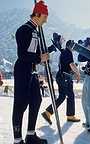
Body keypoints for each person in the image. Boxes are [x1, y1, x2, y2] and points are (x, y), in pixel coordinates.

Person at [12, 1, 49, 144]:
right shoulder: (24, 30)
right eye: (45, 16)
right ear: (38, 14)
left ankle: (31, 135)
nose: (46, 20)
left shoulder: (35, 31)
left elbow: (38, 54)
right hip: (22, 69)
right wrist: (40, 57)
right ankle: (17, 140)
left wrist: (50, 49)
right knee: (20, 104)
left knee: (36, 100)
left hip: (32, 70)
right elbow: (23, 55)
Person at [42, 40, 81, 124]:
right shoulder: (68, 52)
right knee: (70, 95)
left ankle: (48, 113)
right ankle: (70, 116)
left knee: (62, 96)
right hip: (65, 77)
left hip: (60, 76)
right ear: (70, 46)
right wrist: (78, 74)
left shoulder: (64, 52)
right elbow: (72, 64)